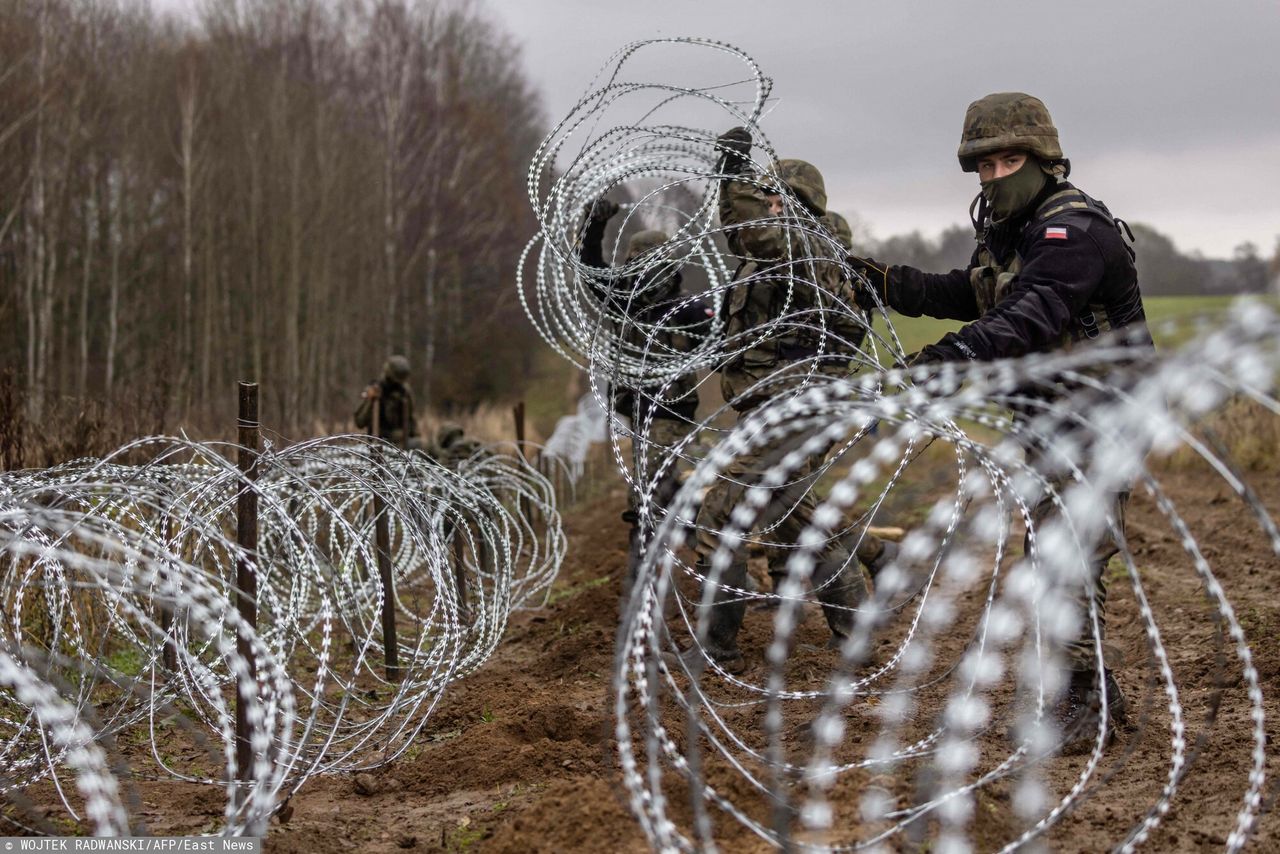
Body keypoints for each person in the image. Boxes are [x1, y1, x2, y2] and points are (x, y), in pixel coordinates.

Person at [850, 92, 1151, 746]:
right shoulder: (1012, 236)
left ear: (1044, 159)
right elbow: (973, 293)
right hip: (1050, 423)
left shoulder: (1073, 233)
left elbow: (1028, 316)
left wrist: (943, 361)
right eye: (983, 167)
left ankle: (1080, 703)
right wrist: (885, 281)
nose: (994, 178)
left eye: (1009, 161)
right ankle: (1091, 688)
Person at [671, 128, 892, 674]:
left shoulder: (810, 246)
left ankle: (715, 649)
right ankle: (857, 633)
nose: (768, 208)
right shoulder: (779, 253)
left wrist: (732, 174)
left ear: (803, 206)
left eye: (778, 200)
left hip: (797, 409)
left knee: (720, 516)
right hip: (776, 407)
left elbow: (751, 233)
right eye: (766, 198)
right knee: (796, 522)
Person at [578, 198, 714, 586]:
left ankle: (645, 573)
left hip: (672, 409)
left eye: (649, 264)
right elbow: (590, 269)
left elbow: (717, 345)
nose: (642, 272)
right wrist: (594, 223)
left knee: (649, 489)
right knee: (656, 486)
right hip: (638, 408)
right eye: (637, 264)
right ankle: (697, 537)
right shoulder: (623, 302)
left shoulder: (686, 308)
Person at [355, 355, 421, 449]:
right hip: (380, 442)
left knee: (422, 445)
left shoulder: (404, 392)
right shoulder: (376, 390)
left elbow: (411, 420)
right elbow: (360, 421)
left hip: (402, 443)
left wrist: (415, 436)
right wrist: (370, 401)